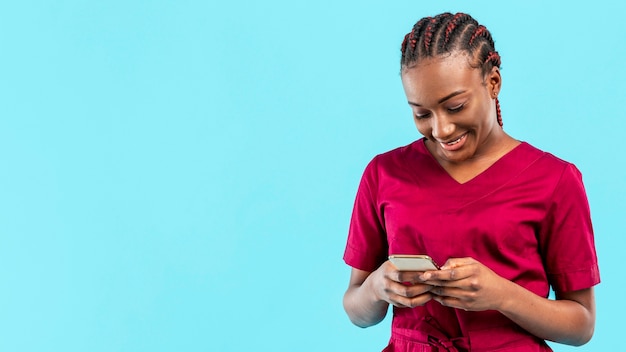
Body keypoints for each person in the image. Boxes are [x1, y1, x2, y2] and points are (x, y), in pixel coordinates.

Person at [342, 12, 600, 351]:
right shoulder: (384, 173)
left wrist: (502, 295)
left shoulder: (555, 180)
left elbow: (581, 325)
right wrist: (378, 287)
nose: (441, 129)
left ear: (493, 83)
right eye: (421, 113)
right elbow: (357, 309)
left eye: (455, 106)